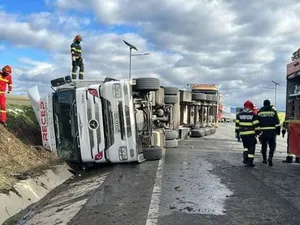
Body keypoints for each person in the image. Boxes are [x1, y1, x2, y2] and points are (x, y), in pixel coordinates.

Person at [235, 100, 260, 167]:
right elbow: (256, 125)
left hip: (243, 134)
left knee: (245, 147)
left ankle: (245, 159)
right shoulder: (253, 115)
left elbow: (237, 126)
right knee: (251, 147)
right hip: (251, 134)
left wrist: (237, 133)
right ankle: (250, 162)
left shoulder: (239, 115)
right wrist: (257, 133)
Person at [257, 99, 281, 166]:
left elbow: (257, 122)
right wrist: (278, 132)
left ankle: (264, 159)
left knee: (264, 145)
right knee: (272, 146)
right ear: (270, 104)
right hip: (272, 132)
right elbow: (277, 122)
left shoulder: (260, 111)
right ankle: (270, 157)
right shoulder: (273, 111)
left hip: (263, 132)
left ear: (263, 104)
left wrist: (257, 132)